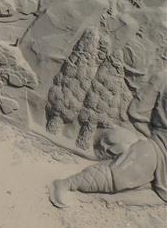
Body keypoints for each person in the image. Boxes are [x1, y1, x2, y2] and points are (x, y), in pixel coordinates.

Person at [50, 68, 167, 207]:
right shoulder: (162, 77)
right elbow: (138, 113)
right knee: (130, 169)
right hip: (159, 146)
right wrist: (150, 136)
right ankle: (68, 184)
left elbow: (138, 112)